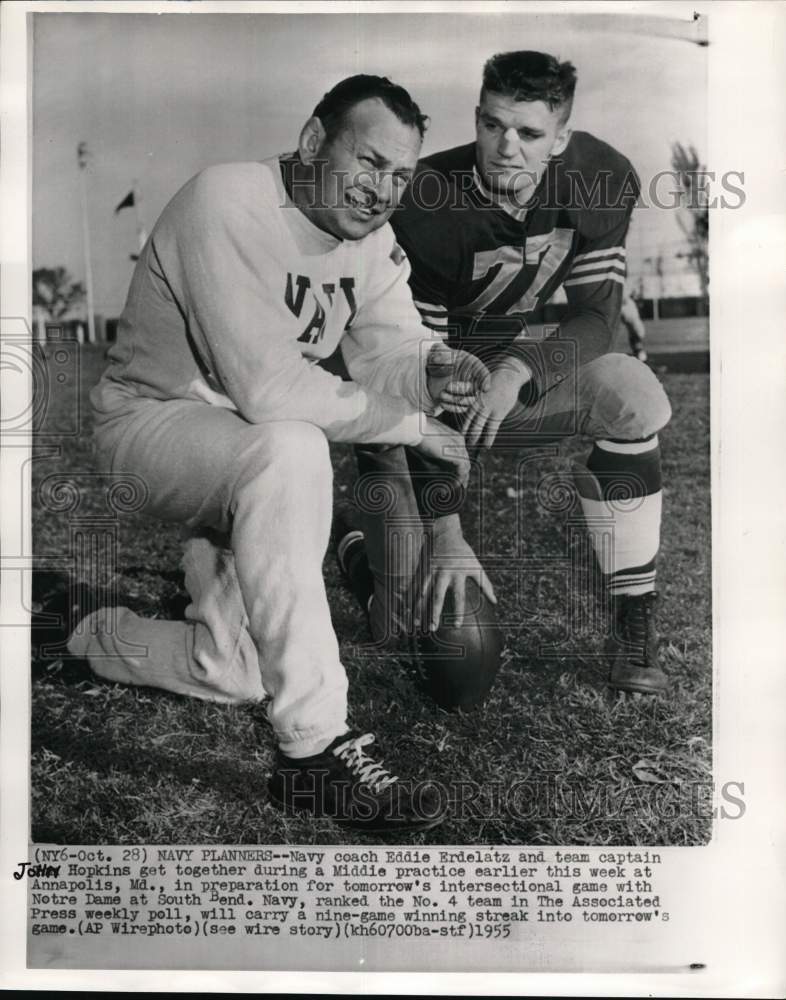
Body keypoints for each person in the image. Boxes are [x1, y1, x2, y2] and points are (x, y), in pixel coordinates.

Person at [54, 75, 490, 833]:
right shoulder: (228, 199)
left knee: (235, 670)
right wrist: (413, 428)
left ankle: (81, 633)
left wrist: (434, 368)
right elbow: (269, 391)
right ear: (314, 142)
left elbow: (389, 353)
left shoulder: (370, 239)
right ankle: (313, 752)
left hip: (239, 450)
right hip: (154, 425)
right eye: (369, 161)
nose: (381, 189)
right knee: (293, 447)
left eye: (399, 174)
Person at [336, 51, 673, 697]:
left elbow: (598, 316)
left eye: (528, 133)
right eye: (493, 126)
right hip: (417, 393)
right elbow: (414, 364)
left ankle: (635, 625)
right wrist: (449, 532)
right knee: (398, 623)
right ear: (477, 118)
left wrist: (520, 367)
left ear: (562, 139)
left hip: (504, 383)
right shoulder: (427, 205)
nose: (506, 147)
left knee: (634, 395)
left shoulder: (598, 175)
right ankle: (357, 552)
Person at [620, 285, 649, 362]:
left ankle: (639, 355)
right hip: (633, 321)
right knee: (637, 338)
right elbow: (625, 299)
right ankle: (641, 357)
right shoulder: (626, 304)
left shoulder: (628, 303)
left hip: (631, 322)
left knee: (635, 339)